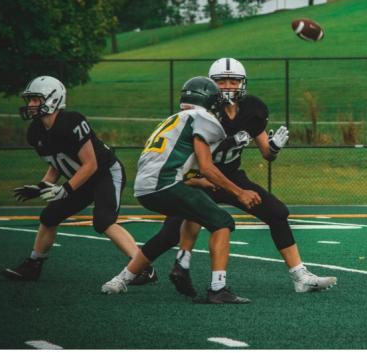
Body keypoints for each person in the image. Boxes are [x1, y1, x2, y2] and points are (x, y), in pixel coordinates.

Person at [138, 58, 336, 297]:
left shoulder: (253, 109)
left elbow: (267, 154)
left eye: (234, 81)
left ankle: (300, 276)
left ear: (243, 83)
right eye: (222, 81)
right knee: (170, 234)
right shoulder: (205, 111)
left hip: (231, 176)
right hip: (199, 177)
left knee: (277, 213)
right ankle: (131, 274)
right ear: (211, 84)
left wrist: (274, 147)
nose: (229, 86)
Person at [100, 76, 261, 304]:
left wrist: (198, 182)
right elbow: (206, 166)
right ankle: (218, 288)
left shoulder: (173, 119)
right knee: (222, 222)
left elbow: (175, 162)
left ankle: (121, 280)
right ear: (210, 101)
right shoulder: (203, 118)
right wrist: (239, 192)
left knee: (171, 232)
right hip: (165, 184)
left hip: (144, 188)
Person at [2, 76, 153, 284]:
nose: (30, 105)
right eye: (30, 100)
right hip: (81, 179)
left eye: (36, 99)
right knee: (49, 216)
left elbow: (91, 164)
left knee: (103, 221)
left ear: (53, 99)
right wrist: (40, 186)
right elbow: (56, 164)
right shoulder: (35, 131)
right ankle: (33, 265)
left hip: (105, 173)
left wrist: (65, 189)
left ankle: (143, 268)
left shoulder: (71, 122)